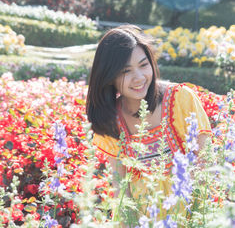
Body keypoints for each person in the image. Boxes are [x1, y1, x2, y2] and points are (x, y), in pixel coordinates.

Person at [86, 24, 212, 222]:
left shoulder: (180, 99)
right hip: (142, 219)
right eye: (126, 71)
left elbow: (205, 162)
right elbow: (121, 187)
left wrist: (190, 215)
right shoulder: (110, 119)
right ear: (109, 77)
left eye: (144, 65)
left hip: (190, 211)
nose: (139, 78)